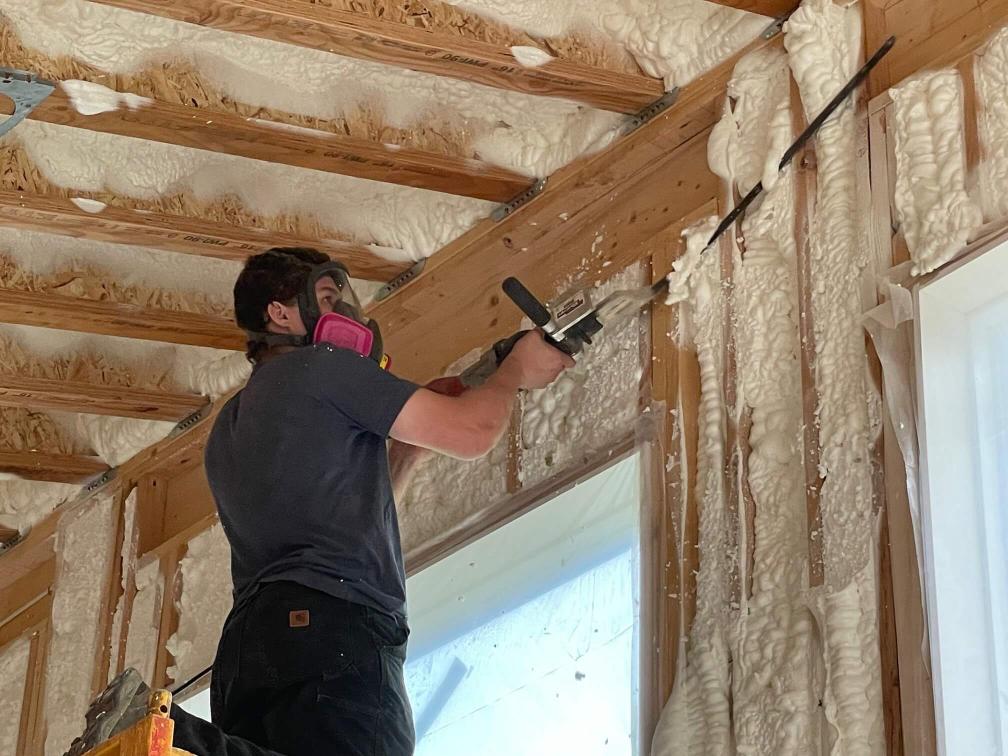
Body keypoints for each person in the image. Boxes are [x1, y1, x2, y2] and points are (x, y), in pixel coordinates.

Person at [68, 247, 573, 756]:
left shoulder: (231, 425)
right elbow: (474, 432)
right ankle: (166, 734)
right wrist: (514, 374)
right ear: (280, 312)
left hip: (256, 644)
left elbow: (351, 512)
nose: (348, 311)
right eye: (330, 296)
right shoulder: (325, 367)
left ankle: (164, 734)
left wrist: (407, 447)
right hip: (335, 627)